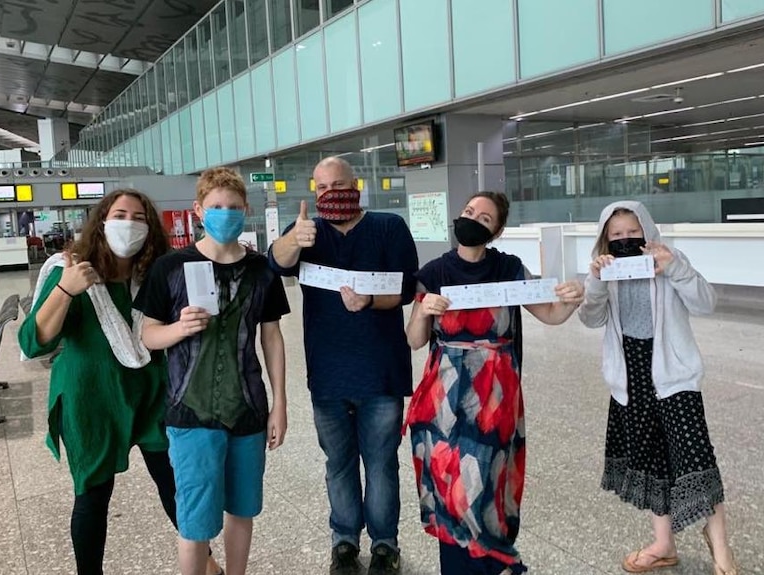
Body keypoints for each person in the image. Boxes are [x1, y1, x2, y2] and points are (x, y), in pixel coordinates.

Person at [18, 189, 221, 575]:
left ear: (150, 228)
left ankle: (208, 566)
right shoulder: (71, 269)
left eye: (140, 217)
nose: (129, 223)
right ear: (102, 221)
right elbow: (33, 342)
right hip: (90, 397)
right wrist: (65, 290)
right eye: (120, 214)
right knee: (94, 496)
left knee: (176, 485)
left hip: (151, 393)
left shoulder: (156, 275)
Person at [404, 191, 585, 575]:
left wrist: (571, 299)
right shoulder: (434, 272)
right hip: (444, 397)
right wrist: (423, 310)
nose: (472, 219)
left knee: (485, 482)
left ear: (496, 231)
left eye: (484, 218)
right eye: (469, 211)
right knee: (448, 484)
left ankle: (496, 562)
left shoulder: (508, 268)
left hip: (494, 397)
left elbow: (551, 314)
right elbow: (414, 339)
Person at [268, 156, 418, 575]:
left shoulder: (388, 227)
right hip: (328, 375)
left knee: (382, 464)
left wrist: (370, 299)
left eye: (339, 183)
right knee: (338, 464)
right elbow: (275, 262)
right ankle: (345, 542)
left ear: (356, 184)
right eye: (322, 187)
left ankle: (386, 545)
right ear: (314, 194)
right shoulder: (307, 232)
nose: (331, 192)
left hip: (380, 371)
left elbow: (406, 287)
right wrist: (294, 239)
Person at [135, 167, 289, 575]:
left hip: (248, 411)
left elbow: (271, 337)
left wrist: (280, 405)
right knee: (195, 523)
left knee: (242, 510)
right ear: (199, 210)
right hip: (191, 414)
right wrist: (177, 329)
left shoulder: (262, 270)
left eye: (233, 207)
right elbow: (147, 335)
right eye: (216, 207)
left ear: (246, 211)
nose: (225, 214)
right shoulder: (170, 267)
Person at [578, 201, 738, 575]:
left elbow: (706, 302)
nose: (624, 239)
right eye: (616, 235)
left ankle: (722, 550)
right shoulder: (606, 268)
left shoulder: (669, 258)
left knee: (696, 456)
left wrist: (676, 269)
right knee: (651, 458)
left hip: (673, 372)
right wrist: (596, 280)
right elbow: (591, 318)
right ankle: (664, 543)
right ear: (605, 238)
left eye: (633, 232)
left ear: (646, 230)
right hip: (630, 373)